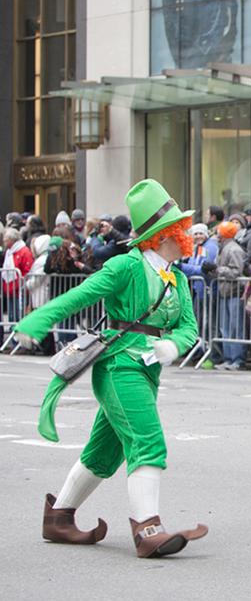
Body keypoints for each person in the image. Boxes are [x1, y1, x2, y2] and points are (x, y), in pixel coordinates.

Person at [13, 179, 208, 558]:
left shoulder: (178, 278)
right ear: (164, 234)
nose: (188, 233)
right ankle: (147, 528)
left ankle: (59, 518)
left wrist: (172, 345)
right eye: (181, 228)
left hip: (146, 370)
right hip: (119, 367)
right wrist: (34, 324)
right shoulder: (126, 266)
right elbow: (79, 296)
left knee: (104, 453)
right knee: (148, 441)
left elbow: (189, 327)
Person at [214, 221, 247, 371]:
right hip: (225, 292)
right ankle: (228, 358)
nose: (217, 235)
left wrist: (218, 269)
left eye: (219, 232)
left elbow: (236, 272)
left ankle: (237, 358)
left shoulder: (234, 249)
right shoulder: (225, 248)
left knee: (235, 327)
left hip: (234, 292)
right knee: (225, 327)